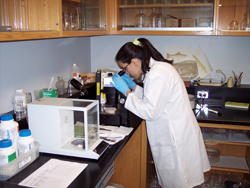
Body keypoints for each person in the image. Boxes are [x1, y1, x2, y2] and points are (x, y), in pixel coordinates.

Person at [110, 38, 210, 188]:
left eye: (125, 68)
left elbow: (150, 111)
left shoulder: (158, 73)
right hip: (177, 134)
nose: (127, 73)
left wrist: (127, 92)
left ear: (134, 62)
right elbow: (156, 98)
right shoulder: (159, 69)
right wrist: (135, 87)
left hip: (174, 140)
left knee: (180, 182)